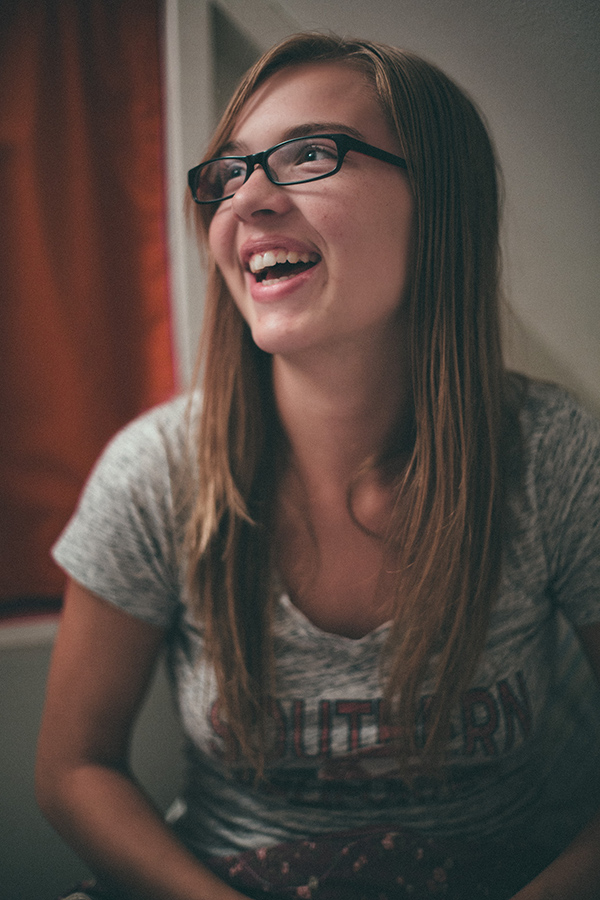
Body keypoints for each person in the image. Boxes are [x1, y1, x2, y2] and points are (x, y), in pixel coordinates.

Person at [36, 32, 600, 900]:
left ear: (440, 201)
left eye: (308, 156)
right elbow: (75, 768)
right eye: (227, 173)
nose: (246, 201)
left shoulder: (556, 458)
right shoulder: (154, 474)